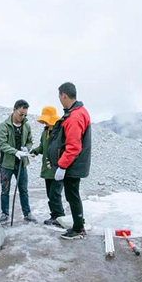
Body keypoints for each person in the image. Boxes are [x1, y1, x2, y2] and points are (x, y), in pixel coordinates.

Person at [48, 82, 91, 240]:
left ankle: (78, 228)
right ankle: (78, 224)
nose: (60, 100)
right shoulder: (78, 112)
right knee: (73, 195)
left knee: (72, 196)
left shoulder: (75, 116)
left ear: (64, 95)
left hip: (73, 165)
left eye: (60, 97)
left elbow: (73, 146)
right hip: (75, 164)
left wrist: (62, 166)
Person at [0, 99, 37, 224]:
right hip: (6, 164)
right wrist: (15, 152)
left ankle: (27, 213)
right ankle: (5, 213)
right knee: (5, 190)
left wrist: (27, 148)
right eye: (21, 114)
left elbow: (30, 141)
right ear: (14, 110)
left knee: (23, 190)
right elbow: (2, 144)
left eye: (25, 115)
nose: (23, 117)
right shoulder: (4, 126)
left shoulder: (26, 125)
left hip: (21, 164)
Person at [30, 106, 65, 226]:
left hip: (56, 168)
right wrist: (34, 151)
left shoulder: (60, 132)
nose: (44, 122)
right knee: (50, 194)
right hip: (47, 170)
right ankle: (54, 215)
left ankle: (60, 216)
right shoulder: (45, 132)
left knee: (55, 194)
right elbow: (42, 147)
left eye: (46, 120)